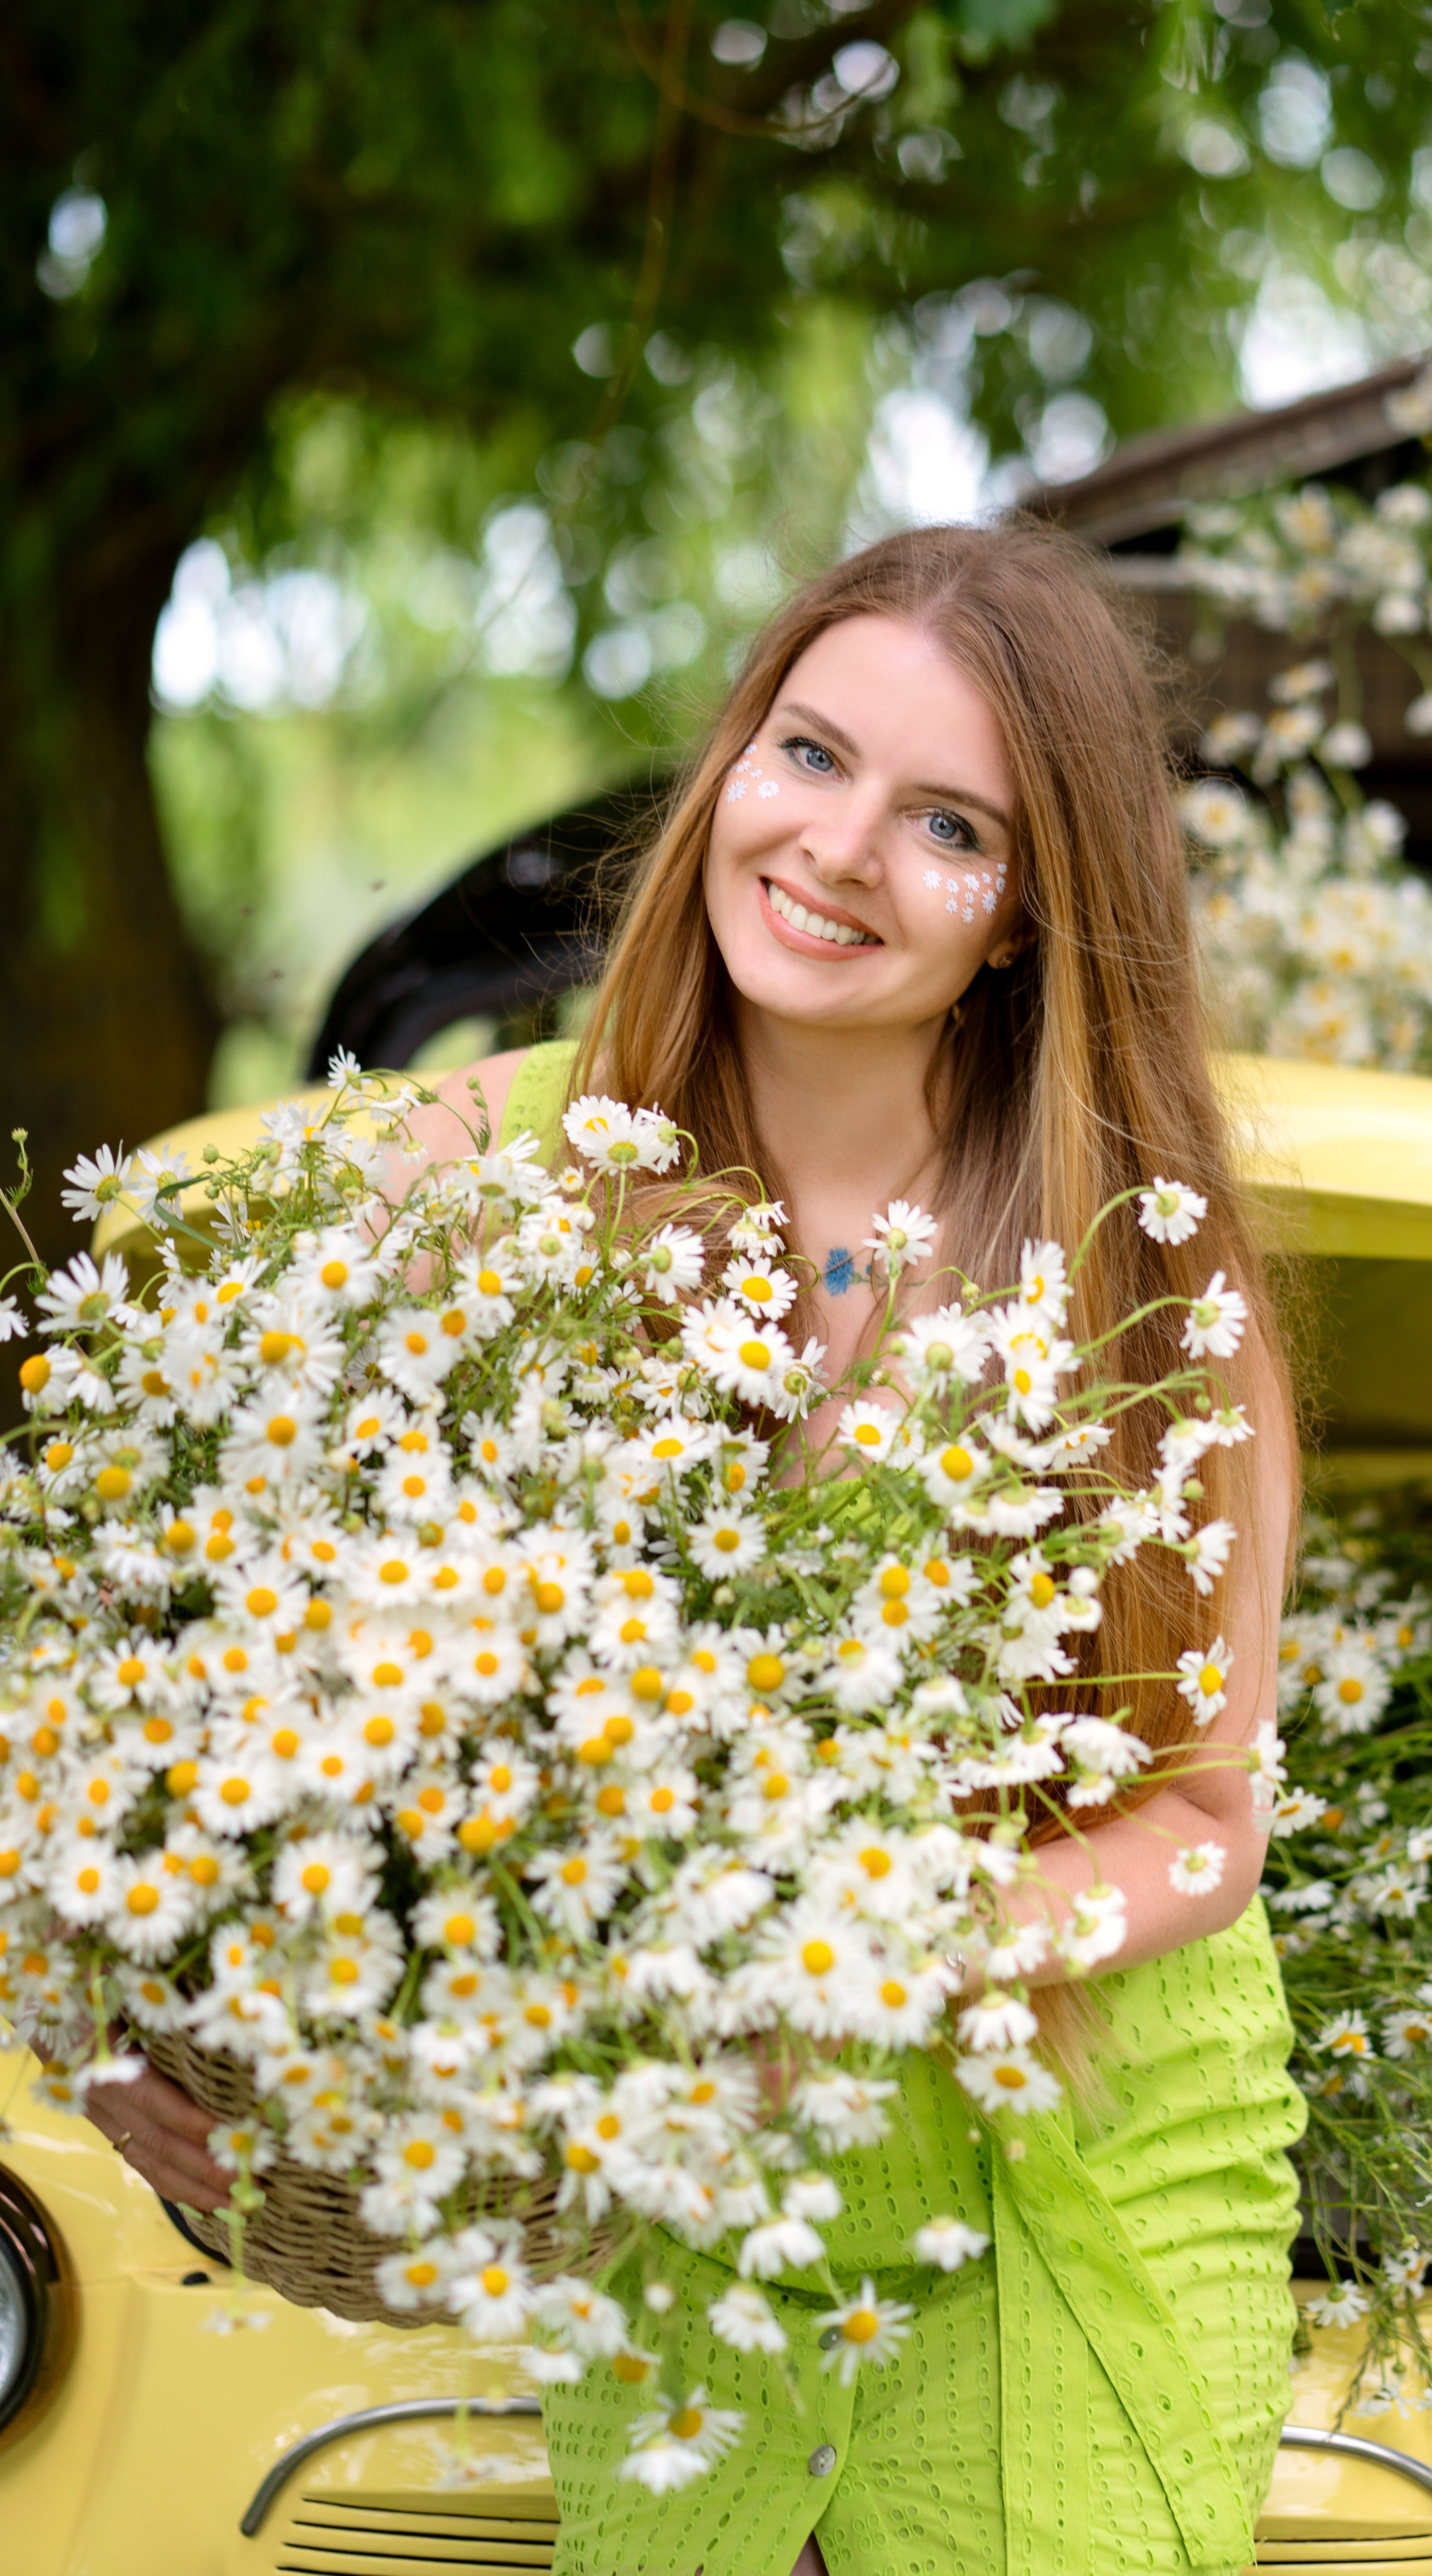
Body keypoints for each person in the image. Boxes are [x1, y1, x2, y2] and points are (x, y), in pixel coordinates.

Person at [88, 523, 1304, 2575]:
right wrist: (140, 1994)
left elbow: (1205, 1824)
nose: (839, 850)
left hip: (1082, 2154)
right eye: (810, 756)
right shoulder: (467, 1181)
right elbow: (190, 1653)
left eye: (949, 826)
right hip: (685, 2173)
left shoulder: (1144, 1286)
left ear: (1028, 914)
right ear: (734, 759)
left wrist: (865, 1948)